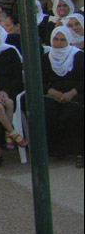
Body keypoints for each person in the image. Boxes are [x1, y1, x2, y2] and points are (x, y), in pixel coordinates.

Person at [41, 27, 83, 168]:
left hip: (77, 92)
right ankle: (58, 150)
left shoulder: (78, 56)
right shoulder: (46, 58)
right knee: (48, 111)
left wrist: (71, 93)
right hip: (55, 94)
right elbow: (41, 81)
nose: (58, 43)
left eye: (62, 40)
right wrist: (54, 92)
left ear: (68, 40)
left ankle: (79, 152)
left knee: (73, 112)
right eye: (55, 39)